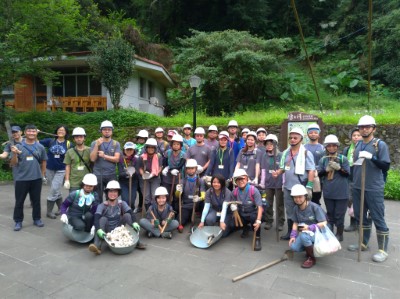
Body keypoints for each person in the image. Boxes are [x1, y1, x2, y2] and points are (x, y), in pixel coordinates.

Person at [347, 115, 391, 263]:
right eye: (361, 127)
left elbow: (385, 166)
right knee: (360, 217)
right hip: (358, 186)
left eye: (367, 127)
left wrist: (372, 158)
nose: (364, 129)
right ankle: (363, 243)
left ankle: (383, 250)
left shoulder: (379, 144)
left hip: (373, 187)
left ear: (374, 128)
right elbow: (355, 166)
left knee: (377, 217)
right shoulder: (358, 145)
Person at [272, 127, 315, 240]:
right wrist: (278, 173)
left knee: (303, 211)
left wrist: (309, 187)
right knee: (290, 210)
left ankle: (304, 234)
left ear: (301, 139)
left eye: (295, 138)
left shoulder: (306, 153)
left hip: (301, 188)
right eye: (291, 138)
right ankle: (291, 232)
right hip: (287, 187)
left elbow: (311, 170)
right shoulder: (286, 153)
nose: (292, 140)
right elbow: (284, 167)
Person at [88, 180, 145, 255]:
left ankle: (137, 242)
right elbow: (96, 218)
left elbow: (130, 212)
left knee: (127, 215)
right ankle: (97, 246)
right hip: (107, 229)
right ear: (107, 193)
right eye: (110, 191)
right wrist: (98, 229)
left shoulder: (121, 203)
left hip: (118, 227)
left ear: (118, 193)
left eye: (115, 192)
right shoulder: (102, 205)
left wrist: (134, 222)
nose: (112, 194)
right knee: (102, 219)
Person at [10, 124, 47, 231]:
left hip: (36, 178)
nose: (31, 133)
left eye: (33, 131)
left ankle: (37, 218)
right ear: (25, 132)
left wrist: (43, 175)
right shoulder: (18, 146)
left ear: (36, 133)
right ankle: (18, 221)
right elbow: (13, 163)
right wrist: (15, 154)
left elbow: (44, 161)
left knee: (36, 200)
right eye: (29, 131)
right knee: (19, 201)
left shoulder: (40, 147)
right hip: (21, 179)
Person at [317, 135, 350, 241]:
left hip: (341, 192)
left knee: (339, 215)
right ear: (326, 147)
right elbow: (318, 174)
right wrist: (326, 170)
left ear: (337, 146)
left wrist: (339, 168)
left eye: (334, 146)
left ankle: (340, 234)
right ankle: (330, 232)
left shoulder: (343, 159)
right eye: (329, 146)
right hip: (328, 191)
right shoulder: (323, 160)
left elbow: (347, 174)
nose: (331, 148)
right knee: (330, 213)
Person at [288, 184, 327, 269]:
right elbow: (295, 222)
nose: (297, 199)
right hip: (307, 233)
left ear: (305, 196)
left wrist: (310, 227)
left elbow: (324, 223)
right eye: (295, 197)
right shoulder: (296, 208)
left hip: (319, 233)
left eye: (300, 197)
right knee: (293, 246)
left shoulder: (314, 207)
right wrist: (293, 235)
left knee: (303, 235)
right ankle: (310, 248)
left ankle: (311, 258)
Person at [39, 125, 72, 219]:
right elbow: (37, 142)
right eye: (59, 130)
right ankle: (61, 209)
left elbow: (71, 157)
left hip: (61, 169)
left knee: (53, 189)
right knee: (56, 189)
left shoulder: (69, 144)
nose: (61, 131)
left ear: (66, 132)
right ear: (56, 131)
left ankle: (49, 212)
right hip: (49, 168)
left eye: (63, 130)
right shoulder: (50, 141)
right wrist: (36, 133)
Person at [230, 169, 263, 251]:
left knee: (253, 218)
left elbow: (260, 207)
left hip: (253, 213)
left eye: (242, 179)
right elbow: (232, 202)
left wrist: (258, 220)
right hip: (242, 213)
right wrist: (233, 206)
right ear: (235, 181)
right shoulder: (234, 192)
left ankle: (257, 238)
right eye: (238, 179)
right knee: (233, 219)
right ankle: (245, 228)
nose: (240, 181)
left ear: (247, 178)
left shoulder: (253, 190)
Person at [90, 120, 121, 200]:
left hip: (111, 174)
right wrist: (97, 146)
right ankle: (98, 211)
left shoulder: (115, 144)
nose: (107, 131)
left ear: (112, 131)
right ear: (101, 131)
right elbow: (92, 159)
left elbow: (117, 159)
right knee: (97, 197)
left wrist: (104, 156)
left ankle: (110, 212)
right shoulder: (95, 143)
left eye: (109, 129)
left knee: (111, 196)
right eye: (104, 129)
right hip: (98, 174)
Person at [259, 134, 284, 231]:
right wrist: (262, 183)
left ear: (275, 144)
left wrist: (284, 183)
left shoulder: (281, 155)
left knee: (279, 204)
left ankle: (281, 222)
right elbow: (263, 170)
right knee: (268, 203)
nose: (269, 145)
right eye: (267, 144)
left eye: (271, 143)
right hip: (268, 184)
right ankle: (269, 221)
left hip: (279, 184)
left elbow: (284, 170)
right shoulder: (264, 155)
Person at [175, 159, 206, 226]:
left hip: (197, 204)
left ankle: (201, 217)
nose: (190, 170)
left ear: (196, 169)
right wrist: (178, 191)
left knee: (204, 204)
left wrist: (199, 198)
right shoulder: (182, 181)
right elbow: (178, 196)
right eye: (188, 168)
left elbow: (204, 195)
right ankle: (188, 215)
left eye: (192, 168)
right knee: (179, 222)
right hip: (186, 205)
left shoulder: (200, 181)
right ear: (186, 170)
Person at [342, 128, 362, 232]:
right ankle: (353, 223)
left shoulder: (365, 148)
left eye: (358, 135)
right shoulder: (346, 149)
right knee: (349, 199)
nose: (356, 137)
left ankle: (361, 223)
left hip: (361, 177)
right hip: (349, 177)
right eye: (354, 135)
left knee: (361, 200)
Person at [137, 138, 163, 210]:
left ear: (155, 148)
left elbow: (160, 167)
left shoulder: (159, 156)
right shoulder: (142, 157)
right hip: (145, 178)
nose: (150, 149)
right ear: (146, 147)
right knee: (146, 196)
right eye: (149, 147)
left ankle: (155, 211)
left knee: (154, 195)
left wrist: (153, 174)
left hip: (155, 178)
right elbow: (140, 168)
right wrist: (143, 175)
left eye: (152, 147)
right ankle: (149, 212)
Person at [64, 127, 91, 193]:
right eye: (76, 137)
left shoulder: (90, 150)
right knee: (74, 201)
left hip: (87, 181)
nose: (79, 139)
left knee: (87, 201)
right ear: (74, 139)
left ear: (84, 138)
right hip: (74, 182)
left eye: (81, 137)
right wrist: (66, 180)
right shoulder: (69, 151)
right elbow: (67, 166)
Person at [162, 134, 186, 209]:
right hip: (167, 178)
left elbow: (180, 166)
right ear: (171, 144)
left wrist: (173, 169)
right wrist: (167, 168)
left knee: (177, 197)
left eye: (178, 144)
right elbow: (164, 163)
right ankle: (167, 211)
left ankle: (176, 213)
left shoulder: (183, 154)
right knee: (167, 196)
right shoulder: (167, 153)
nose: (176, 145)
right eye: (174, 144)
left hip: (178, 178)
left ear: (180, 145)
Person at [304, 123, 325, 206]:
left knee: (316, 198)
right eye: (311, 132)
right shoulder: (303, 147)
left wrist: (317, 170)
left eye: (315, 132)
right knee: (305, 198)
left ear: (319, 134)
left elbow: (324, 163)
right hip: (306, 176)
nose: (313, 134)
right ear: (307, 134)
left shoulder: (322, 148)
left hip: (318, 178)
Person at [118, 142, 139, 209]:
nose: (129, 151)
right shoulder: (121, 160)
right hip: (123, 182)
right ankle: (125, 212)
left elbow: (138, 172)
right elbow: (120, 173)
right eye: (127, 149)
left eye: (131, 149)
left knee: (132, 201)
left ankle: (131, 210)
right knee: (125, 200)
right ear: (124, 150)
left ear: (134, 150)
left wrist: (133, 172)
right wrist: (127, 172)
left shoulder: (136, 159)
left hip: (133, 182)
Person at [134, 129, 148, 213]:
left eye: (143, 138)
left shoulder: (147, 147)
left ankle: (142, 206)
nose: (141, 139)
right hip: (135, 170)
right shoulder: (135, 147)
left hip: (143, 170)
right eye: (140, 138)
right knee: (138, 189)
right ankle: (139, 206)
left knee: (143, 190)